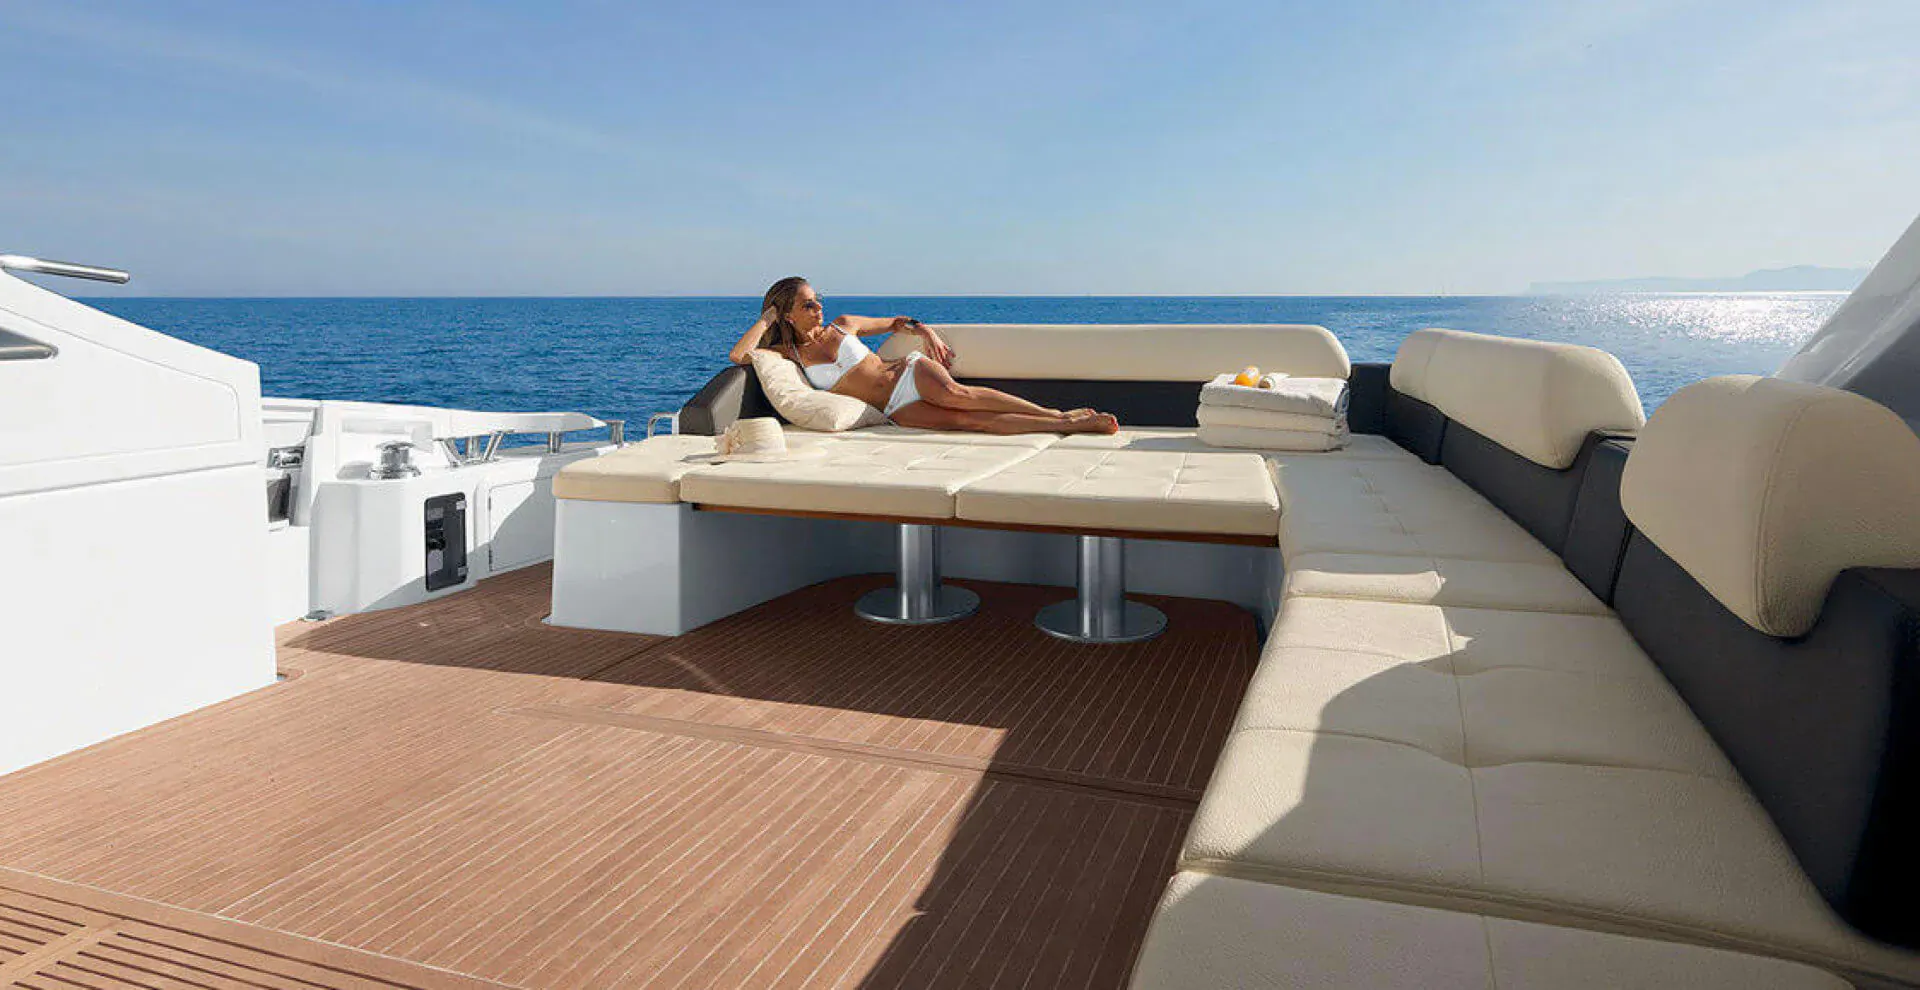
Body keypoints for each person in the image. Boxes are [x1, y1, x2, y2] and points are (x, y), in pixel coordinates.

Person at [729, 276, 1119, 435]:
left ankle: (1057, 414)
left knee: (959, 396)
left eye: (818, 301)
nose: (819, 308)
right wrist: (766, 320)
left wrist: (925, 330)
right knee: (969, 422)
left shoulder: (844, 324)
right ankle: (1065, 426)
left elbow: (898, 322)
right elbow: (740, 355)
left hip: (906, 374)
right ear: (788, 312)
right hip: (893, 408)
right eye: (809, 304)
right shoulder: (790, 354)